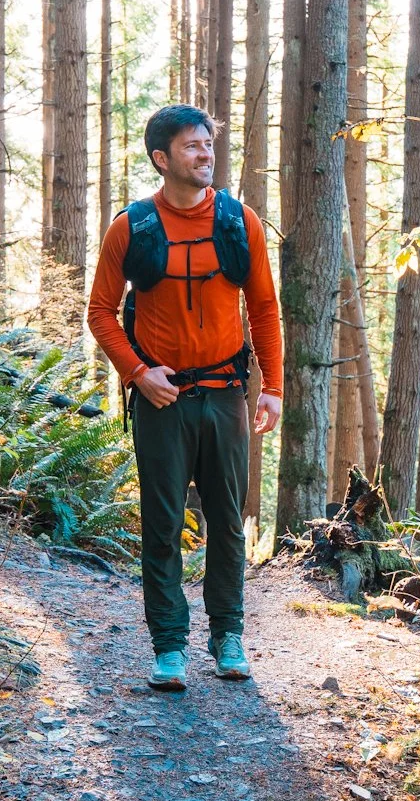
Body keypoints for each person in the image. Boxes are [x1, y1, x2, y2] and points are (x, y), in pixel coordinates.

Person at [87, 105, 283, 690]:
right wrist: (137, 373)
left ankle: (228, 636)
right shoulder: (133, 228)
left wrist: (271, 386)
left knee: (227, 519)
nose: (205, 155)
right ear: (161, 158)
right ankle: (169, 646)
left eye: (208, 145)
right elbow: (100, 313)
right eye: (192, 147)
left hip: (226, 394)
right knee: (163, 522)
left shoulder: (238, 221)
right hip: (161, 399)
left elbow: (265, 308)